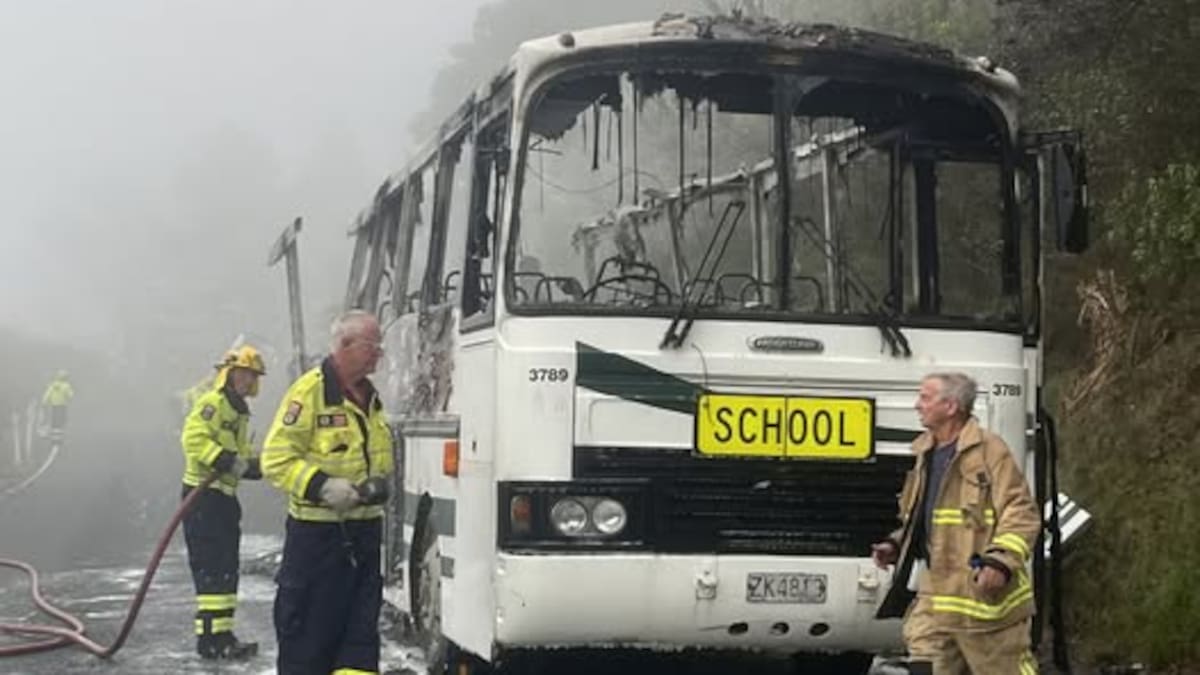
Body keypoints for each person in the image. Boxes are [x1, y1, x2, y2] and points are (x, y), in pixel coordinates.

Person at [872, 372, 1041, 675]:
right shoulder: (925, 451)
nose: (916, 405)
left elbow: (1021, 511)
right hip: (935, 597)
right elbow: (928, 517)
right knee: (924, 660)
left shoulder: (990, 451)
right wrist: (896, 543)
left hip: (984, 604)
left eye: (925, 398)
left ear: (950, 407)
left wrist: (1000, 561)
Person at [262, 310, 394, 675]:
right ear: (345, 345)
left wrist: (377, 485)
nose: (378, 354)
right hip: (317, 543)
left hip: (364, 539)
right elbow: (276, 459)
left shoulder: (371, 399)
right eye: (372, 345)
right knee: (308, 644)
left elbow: (375, 458)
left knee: (360, 646)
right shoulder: (309, 394)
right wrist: (322, 486)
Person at [179, 345, 267, 660]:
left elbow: (239, 456)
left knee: (227, 567)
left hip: (224, 498)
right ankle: (209, 639)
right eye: (243, 374)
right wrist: (227, 462)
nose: (247, 380)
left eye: (252, 376)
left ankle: (225, 636)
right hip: (203, 498)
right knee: (211, 567)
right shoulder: (213, 404)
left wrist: (258, 466)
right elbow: (193, 439)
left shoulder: (239, 411)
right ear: (229, 374)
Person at [41, 370, 74, 440]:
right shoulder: (66, 385)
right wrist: (70, 397)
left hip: (54, 404)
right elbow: (70, 394)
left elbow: (48, 393)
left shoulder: (52, 385)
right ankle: (59, 430)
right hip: (62, 404)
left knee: (54, 416)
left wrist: (44, 400)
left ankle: (54, 430)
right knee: (62, 416)